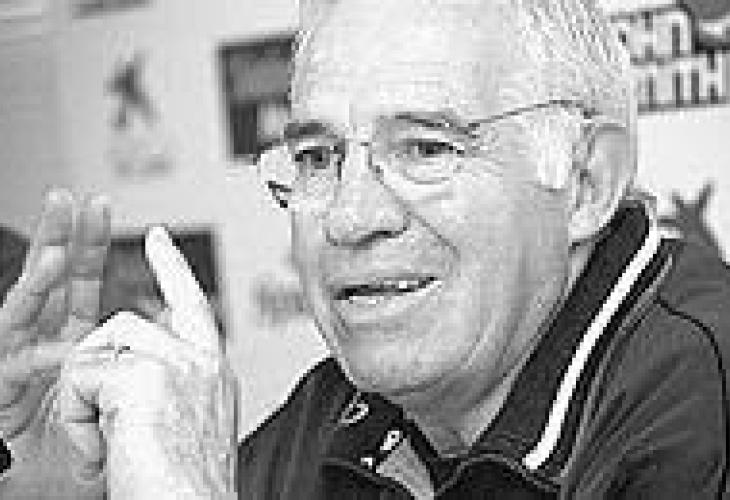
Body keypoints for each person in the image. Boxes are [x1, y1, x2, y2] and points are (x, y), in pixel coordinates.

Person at [1, 0, 729, 498]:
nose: (350, 219)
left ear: (587, 182)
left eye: (426, 148)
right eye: (317, 158)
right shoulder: (338, 410)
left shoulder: (703, 401)